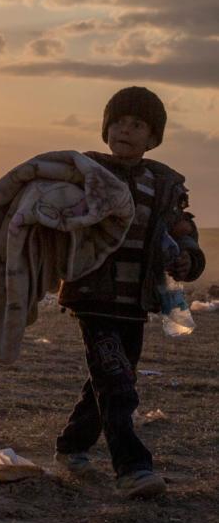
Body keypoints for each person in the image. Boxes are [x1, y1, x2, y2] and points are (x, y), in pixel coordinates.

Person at [53, 87, 206, 499]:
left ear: (152, 138)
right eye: (118, 122)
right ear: (106, 129)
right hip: (93, 297)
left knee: (109, 379)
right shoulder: (87, 172)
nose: (125, 130)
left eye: (136, 125)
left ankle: (71, 445)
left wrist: (189, 259)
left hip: (135, 303)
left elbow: (182, 230)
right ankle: (133, 468)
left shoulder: (164, 184)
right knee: (118, 382)